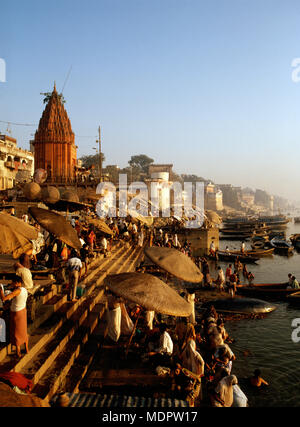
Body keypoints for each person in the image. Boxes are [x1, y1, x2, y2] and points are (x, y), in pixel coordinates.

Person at [0, 275, 29, 358]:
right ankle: (26, 349)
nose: (11, 284)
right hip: (23, 311)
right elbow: (15, 301)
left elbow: (4, 299)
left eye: (12, 282)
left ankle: (18, 352)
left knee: (16, 332)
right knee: (23, 331)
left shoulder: (17, 291)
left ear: (16, 283)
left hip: (16, 314)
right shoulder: (24, 290)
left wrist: (1, 291)